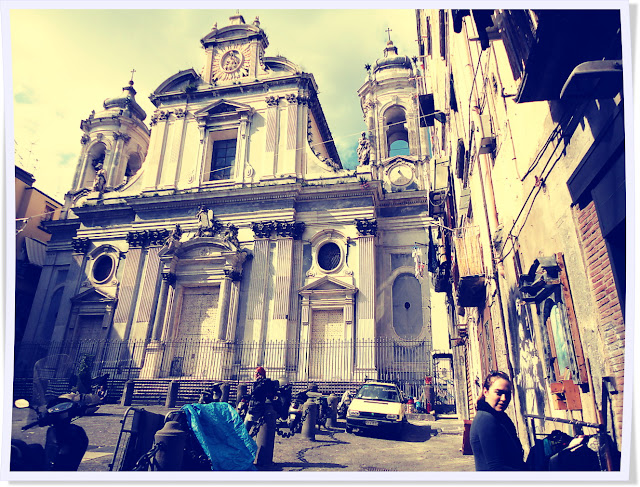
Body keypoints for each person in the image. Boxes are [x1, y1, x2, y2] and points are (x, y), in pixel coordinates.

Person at [470, 371, 527, 471]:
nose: (504, 398)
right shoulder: (486, 419)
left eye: (507, 394)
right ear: (486, 392)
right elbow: (496, 468)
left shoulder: (499, 417)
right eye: (499, 393)